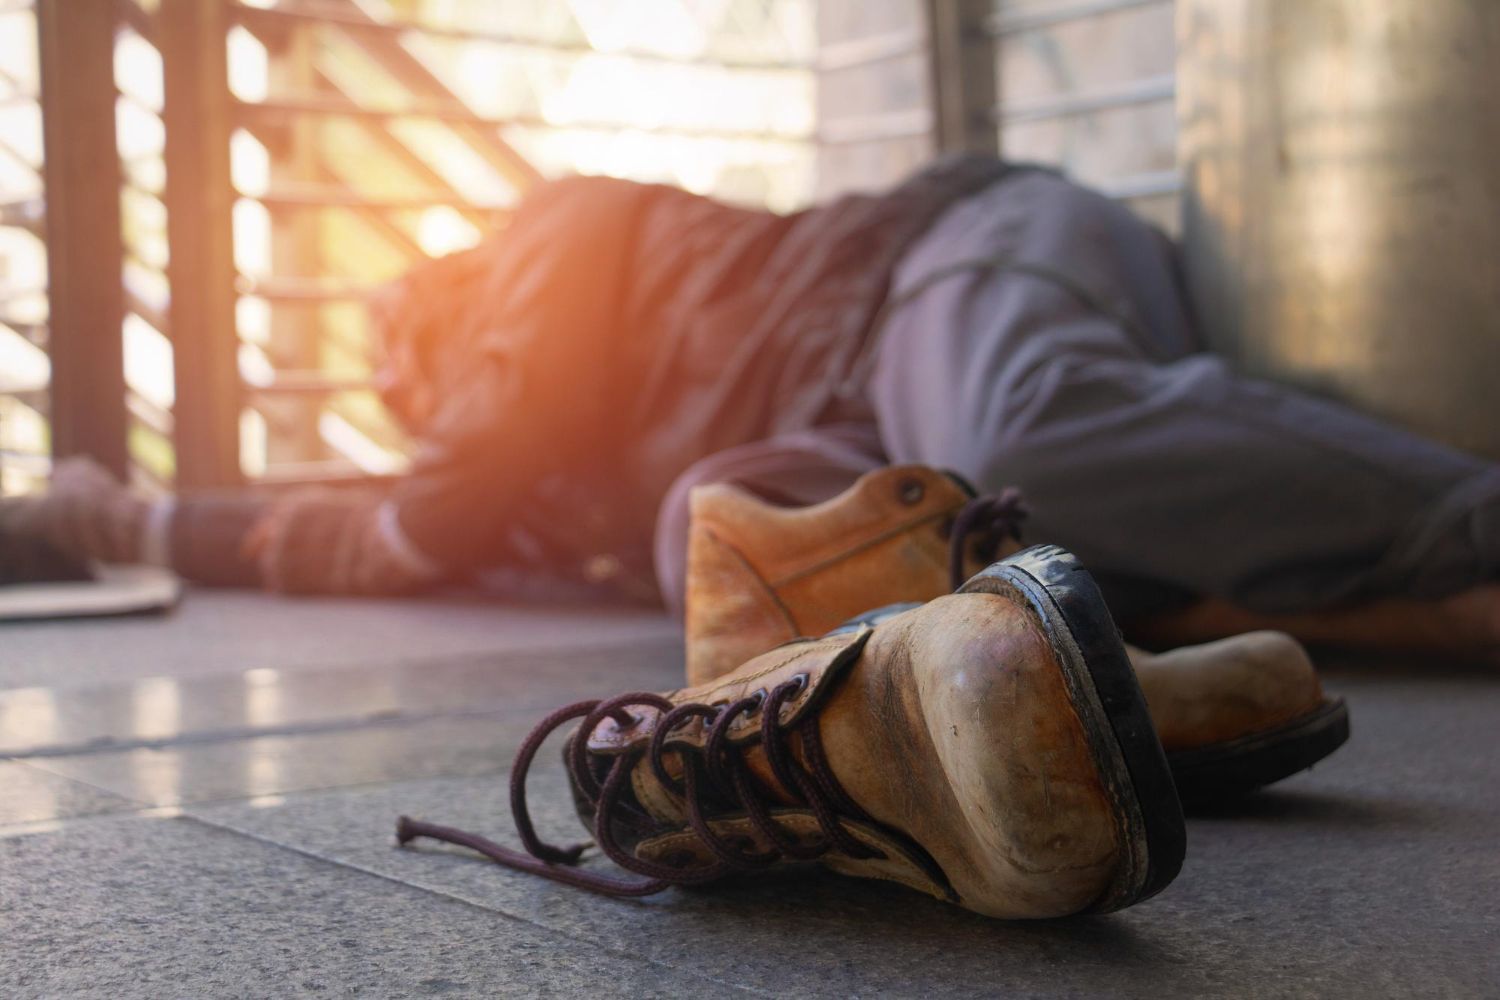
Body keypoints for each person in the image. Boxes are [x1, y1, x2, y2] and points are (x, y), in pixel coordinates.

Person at [3, 155, 1498, 659]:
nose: (411, 391)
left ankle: (1463, 530)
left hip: (941, 266)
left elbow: (440, 497)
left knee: (1017, 431)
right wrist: (113, 520)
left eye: (413, 352)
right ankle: (1119, 623)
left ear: (454, 284)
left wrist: (420, 503)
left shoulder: (556, 224)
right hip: (860, 442)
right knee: (706, 546)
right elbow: (391, 519)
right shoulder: (526, 462)